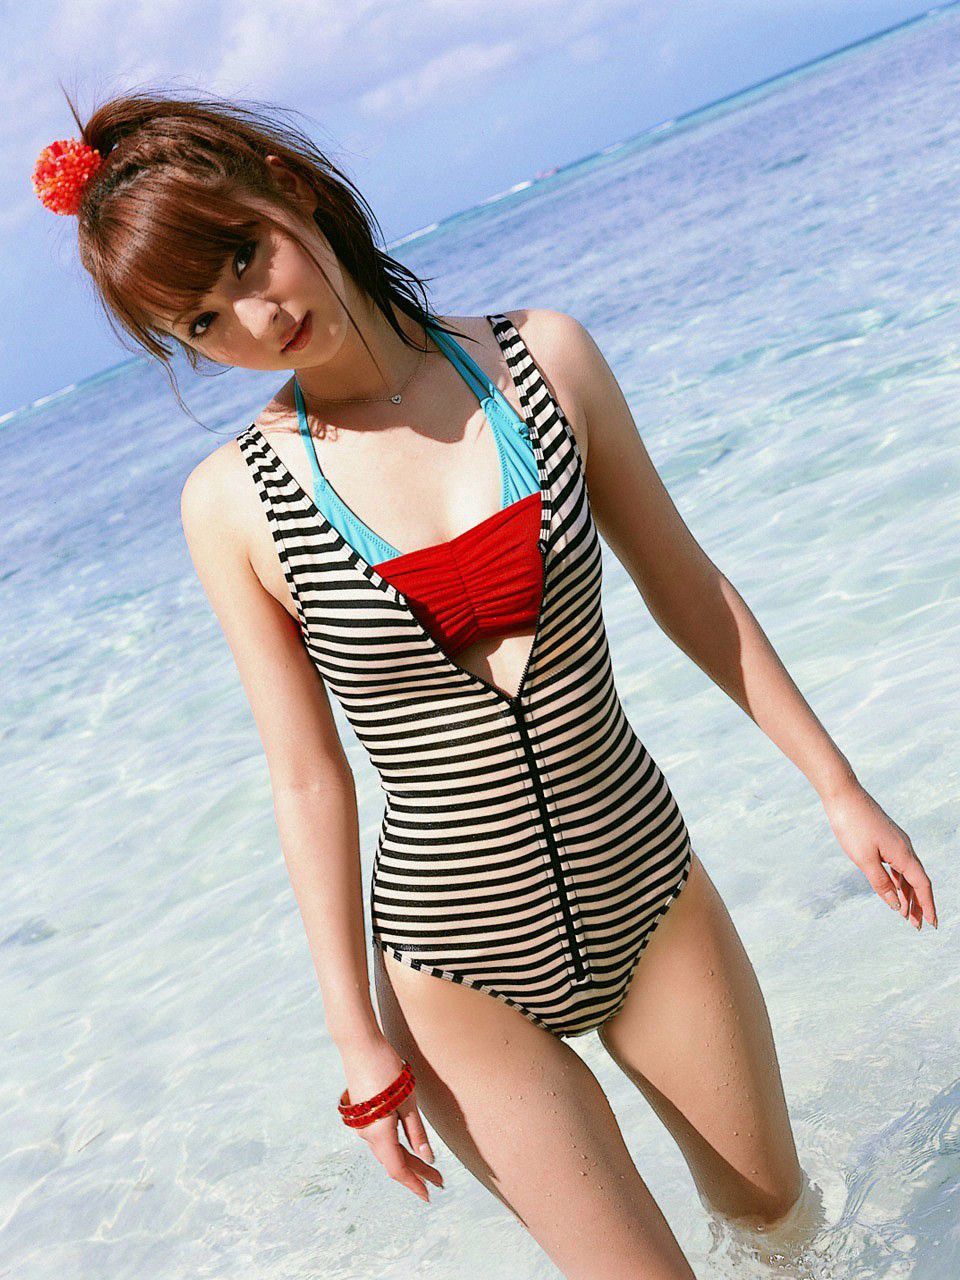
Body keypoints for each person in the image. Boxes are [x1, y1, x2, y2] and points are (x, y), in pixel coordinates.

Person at [34, 87, 938, 1280]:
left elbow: (686, 585)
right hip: (459, 974)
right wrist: (355, 1037)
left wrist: (837, 783)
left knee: (786, 1232)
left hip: (650, 895)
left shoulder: (543, 361)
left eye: (245, 256)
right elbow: (306, 777)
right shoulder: (234, 504)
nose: (256, 317)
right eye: (204, 321)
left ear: (288, 187)